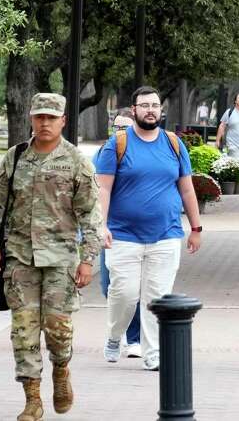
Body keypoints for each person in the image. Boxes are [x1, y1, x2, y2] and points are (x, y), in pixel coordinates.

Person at [0, 93, 103, 420]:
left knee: (57, 328)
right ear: (31, 119)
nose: (45, 123)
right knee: (23, 329)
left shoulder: (76, 160)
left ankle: (61, 369)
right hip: (19, 257)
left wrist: (88, 258)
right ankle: (32, 400)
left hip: (61, 258)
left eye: (52, 117)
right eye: (39, 117)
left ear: (63, 120)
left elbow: (91, 213)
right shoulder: (16, 156)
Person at [95, 86, 203, 371]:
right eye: (145, 105)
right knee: (125, 294)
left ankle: (152, 351)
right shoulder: (116, 145)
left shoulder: (174, 144)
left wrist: (196, 227)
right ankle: (115, 335)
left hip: (165, 235)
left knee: (156, 296)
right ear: (134, 111)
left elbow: (187, 189)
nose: (151, 110)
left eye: (155, 105)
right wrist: (101, 226)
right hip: (123, 236)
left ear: (161, 110)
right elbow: (103, 189)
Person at [95, 110, 141, 360]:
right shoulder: (103, 153)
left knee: (133, 289)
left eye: (125, 126)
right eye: (116, 127)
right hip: (108, 230)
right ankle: (118, 330)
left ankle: (135, 339)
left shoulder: (141, 152)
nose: (120, 131)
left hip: (135, 233)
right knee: (109, 286)